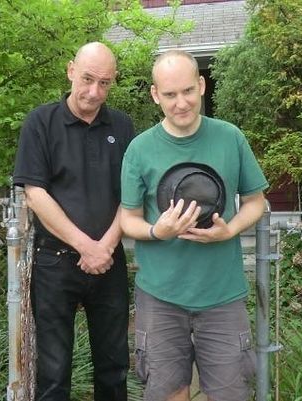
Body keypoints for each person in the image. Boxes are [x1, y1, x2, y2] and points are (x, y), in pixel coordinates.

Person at [120, 50, 269, 401]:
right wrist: (159, 231)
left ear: (201, 86)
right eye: (170, 95)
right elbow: (128, 219)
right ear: (156, 95)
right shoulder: (139, 150)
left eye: (188, 91)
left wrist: (229, 231)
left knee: (230, 394)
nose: (181, 103)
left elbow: (255, 202)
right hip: (160, 296)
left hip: (222, 294)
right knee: (169, 393)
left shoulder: (230, 138)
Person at [13, 42, 135, 401]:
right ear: (70, 71)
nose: (94, 92)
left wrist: (106, 247)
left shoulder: (123, 126)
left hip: (109, 264)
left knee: (114, 369)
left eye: (105, 83)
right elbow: (35, 194)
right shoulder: (41, 122)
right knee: (53, 373)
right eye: (87, 79)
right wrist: (87, 247)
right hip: (55, 263)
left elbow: (131, 196)